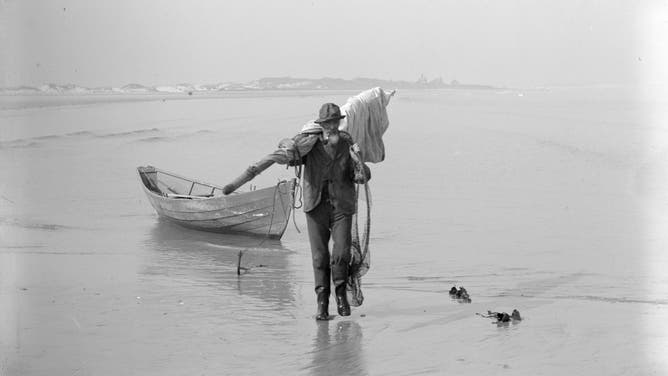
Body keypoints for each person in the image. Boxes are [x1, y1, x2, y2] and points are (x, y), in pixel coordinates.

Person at [291, 103, 371, 320]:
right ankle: (322, 304)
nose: (331, 126)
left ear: (339, 122)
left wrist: (359, 164)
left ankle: (341, 294)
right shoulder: (308, 143)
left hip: (342, 206)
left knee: (342, 252)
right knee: (319, 257)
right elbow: (290, 157)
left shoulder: (347, 142)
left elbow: (363, 174)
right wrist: (290, 146)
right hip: (315, 206)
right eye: (327, 123)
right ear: (321, 125)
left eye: (335, 122)